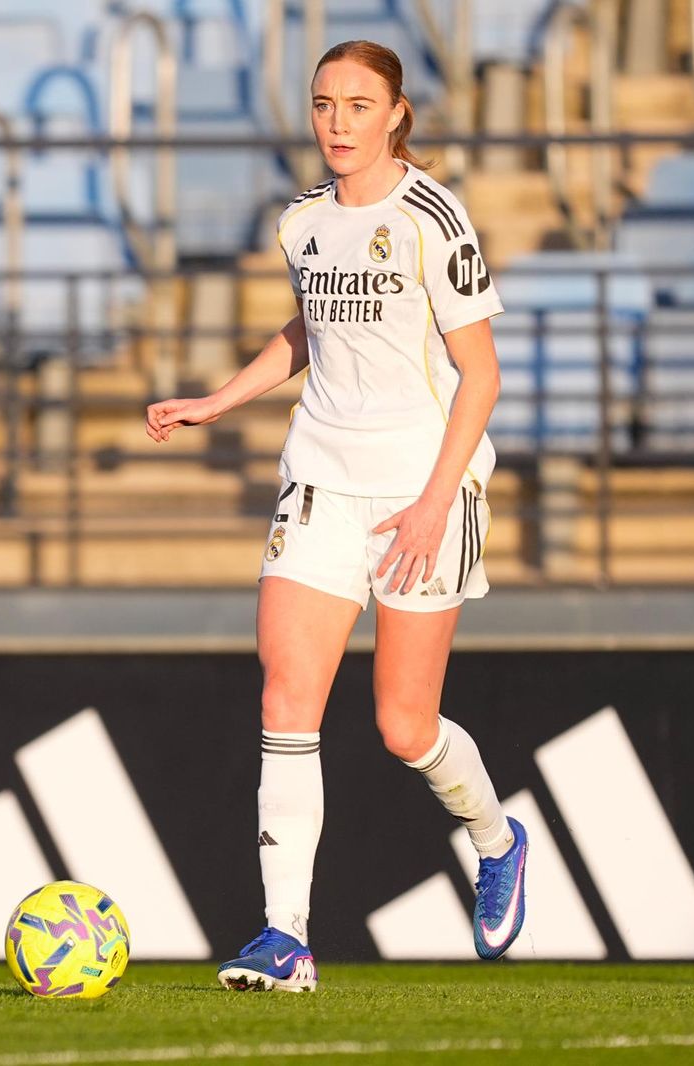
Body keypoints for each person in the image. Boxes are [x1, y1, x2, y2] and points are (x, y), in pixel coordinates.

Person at [145, 40, 527, 991]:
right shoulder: (303, 221)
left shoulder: (434, 218)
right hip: (319, 476)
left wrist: (435, 503)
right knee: (286, 697)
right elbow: (309, 330)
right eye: (324, 104)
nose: (338, 122)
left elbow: (481, 375)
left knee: (404, 725)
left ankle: (496, 838)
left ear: (397, 114)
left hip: (420, 492)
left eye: (359, 105)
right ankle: (285, 937)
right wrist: (219, 401)